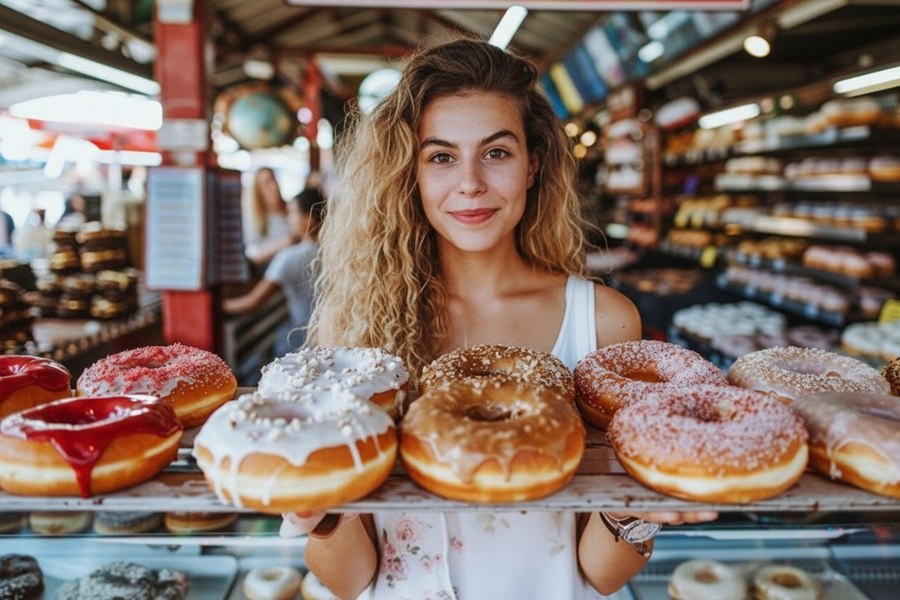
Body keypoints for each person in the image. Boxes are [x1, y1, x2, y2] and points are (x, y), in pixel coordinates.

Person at [282, 39, 717, 599]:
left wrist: (642, 508)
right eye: (440, 156)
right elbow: (349, 581)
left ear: (532, 164)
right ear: (407, 173)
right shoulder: (356, 325)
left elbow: (601, 575)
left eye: (496, 153)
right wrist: (320, 512)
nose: (470, 183)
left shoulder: (601, 321)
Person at [224, 187, 326, 354]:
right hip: (329, 335)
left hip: (303, 337)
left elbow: (252, 302)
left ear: (309, 218)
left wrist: (218, 305)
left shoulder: (289, 258)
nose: (289, 219)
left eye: (293, 213)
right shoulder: (336, 252)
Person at [242, 167, 292, 269]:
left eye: (274, 179)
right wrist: (283, 243)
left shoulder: (291, 210)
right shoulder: (253, 219)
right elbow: (253, 256)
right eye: (267, 183)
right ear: (258, 190)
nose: (274, 187)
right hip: (271, 272)